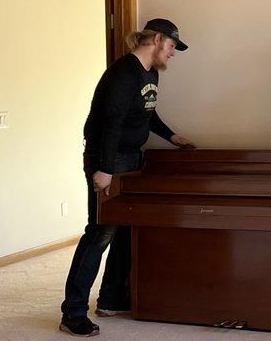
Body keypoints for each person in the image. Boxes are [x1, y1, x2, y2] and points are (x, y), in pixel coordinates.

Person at [59, 18, 195, 337]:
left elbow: (146, 113)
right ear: (157, 39)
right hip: (110, 159)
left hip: (131, 157)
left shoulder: (150, 73)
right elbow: (112, 121)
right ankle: (73, 312)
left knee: (124, 229)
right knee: (100, 232)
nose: (173, 53)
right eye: (173, 46)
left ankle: (111, 298)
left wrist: (171, 136)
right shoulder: (123, 72)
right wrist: (105, 169)